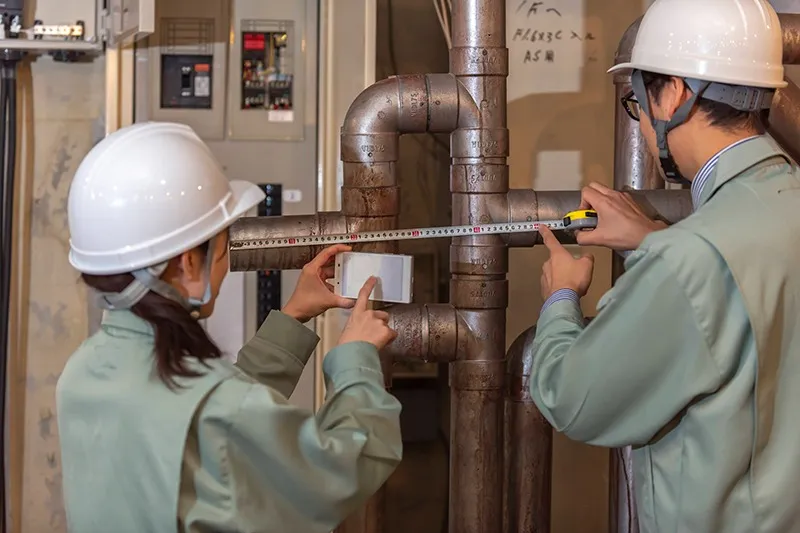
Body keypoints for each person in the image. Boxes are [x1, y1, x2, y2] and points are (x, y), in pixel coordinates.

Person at [528, 0, 800, 531]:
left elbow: (573, 397)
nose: (645, 129)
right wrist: (653, 238)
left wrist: (560, 299)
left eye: (637, 104)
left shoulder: (688, 259)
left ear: (674, 93)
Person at [56, 122, 403, 533]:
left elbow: (200, 425)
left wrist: (292, 316)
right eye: (224, 250)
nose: (225, 264)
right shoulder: (217, 407)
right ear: (187, 262)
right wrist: (355, 358)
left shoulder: (81, 373)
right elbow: (344, 468)